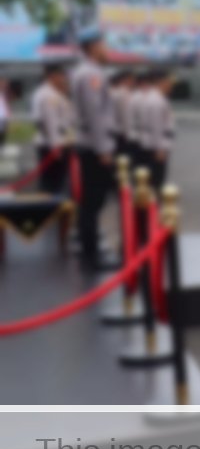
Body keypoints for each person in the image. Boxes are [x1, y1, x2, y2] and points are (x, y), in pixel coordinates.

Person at [70, 28, 116, 271]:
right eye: (102, 43)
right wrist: (103, 149)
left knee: (92, 201)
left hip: (91, 144)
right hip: (94, 146)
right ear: (93, 47)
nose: (106, 48)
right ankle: (91, 256)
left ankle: (89, 247)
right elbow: (95, 114)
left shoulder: (89, 71)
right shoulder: (90, 75)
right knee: (92, 201)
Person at [31, 64, 73, 195]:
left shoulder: (53, 93)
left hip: (56, 140)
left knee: (56, 180)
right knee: (52, 182)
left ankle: (51, 203)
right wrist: (55, 146)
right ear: (52, 76)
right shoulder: (48, 95)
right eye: (61, 75)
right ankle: (48, 205)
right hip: (52, 142)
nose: (63, 79)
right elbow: (50, 123)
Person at [141, 69, 176, 192]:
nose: (171, 85)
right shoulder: (156, 100)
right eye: (169, 82)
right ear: (161, 82)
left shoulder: (155, 97)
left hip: (153, 143)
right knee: (156, 180)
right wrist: (159, 148)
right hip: (156, 145)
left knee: (154, 178)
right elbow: (156, 126)